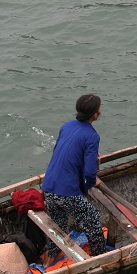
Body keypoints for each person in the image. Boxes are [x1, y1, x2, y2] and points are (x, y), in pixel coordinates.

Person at [41, 93, 107, 258]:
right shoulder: (92, 136)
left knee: (58, 228)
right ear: (95, 114)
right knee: (93, 224)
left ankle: (52, 258)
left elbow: (65, 152)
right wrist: (87, 186)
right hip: (68, 193)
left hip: (48, 187)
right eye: (100, 108)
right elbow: (90, 173)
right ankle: (99, 258)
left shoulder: (67, 126)